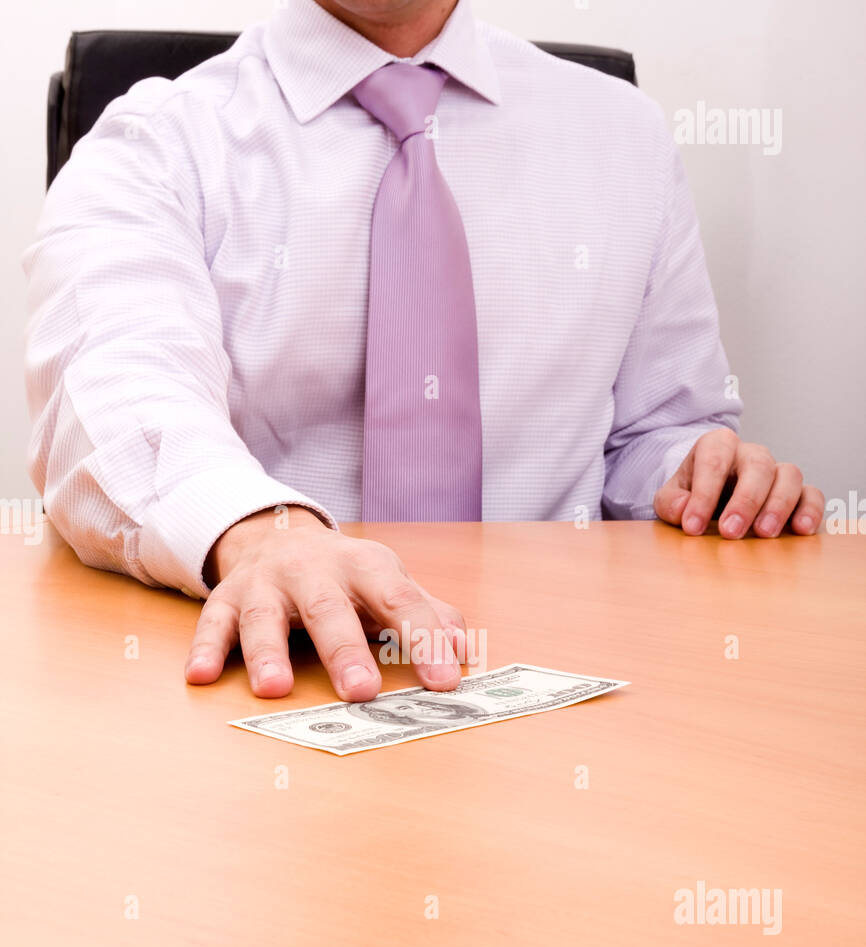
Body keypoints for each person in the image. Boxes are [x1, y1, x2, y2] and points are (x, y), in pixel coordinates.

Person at [23, 0, 824, 704]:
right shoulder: (154, 143)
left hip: (566, 683)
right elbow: (118, 385)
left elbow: (654, 435)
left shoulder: (625, 134)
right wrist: (265, 534)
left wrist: (702, 475)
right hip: (277, 676)